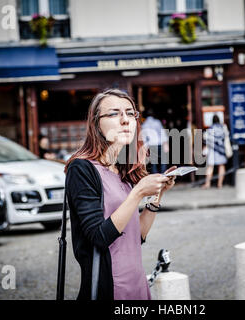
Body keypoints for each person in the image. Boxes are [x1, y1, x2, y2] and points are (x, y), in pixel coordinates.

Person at [64, 89, 177, 300]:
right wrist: (138, 193)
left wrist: (156, 196)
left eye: (130, 113)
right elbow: (99, 237)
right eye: (115, 113)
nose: (125, 120)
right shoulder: (81, 169)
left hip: (137, 285)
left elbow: (137, 236)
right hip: (110, 288)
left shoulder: (123, 170)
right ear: (97, 123)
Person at [202, 115, 227, 189]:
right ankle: (220, 184)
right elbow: (226, 137)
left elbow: (206, 138)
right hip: (221, 150)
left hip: (212, 150)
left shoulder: (211, 128)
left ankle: (207, 183)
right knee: (221, 166)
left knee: (210, 167)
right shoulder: (223, 128)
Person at [141, 109, 169, 174]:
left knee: (154, 162)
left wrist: (145, 147)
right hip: (159, 143)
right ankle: (164, 175)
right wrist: (165, 144)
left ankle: (156, 176)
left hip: (151, 144)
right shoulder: (157, 122)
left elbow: (144, 137)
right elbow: (162, 133)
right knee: (163, 160)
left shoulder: (144, 124)